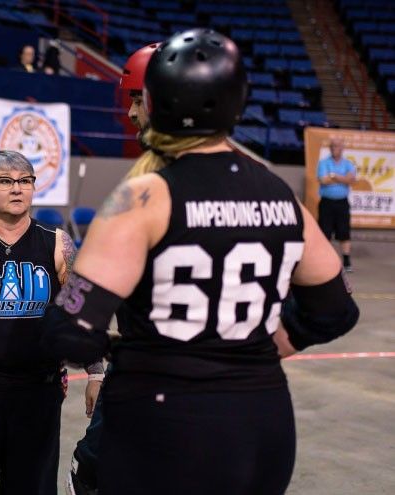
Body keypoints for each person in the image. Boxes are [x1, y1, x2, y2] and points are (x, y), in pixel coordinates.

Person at [42, 29, 359, 495]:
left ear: (157, 101)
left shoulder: (144, 195)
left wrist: (125, 350)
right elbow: (336, 308)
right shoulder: (279, 194)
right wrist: (263, 345)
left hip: (165, 420)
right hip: (262, 420)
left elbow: (68, 330)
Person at [0, 150, 103, 495]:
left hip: (37, 392)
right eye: (5, 181)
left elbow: (83, 312)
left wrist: (95, 371)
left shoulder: (57, 243)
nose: (17, 189)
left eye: (25, 181)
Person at [66, 41, 160, 495]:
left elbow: (76, 306)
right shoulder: (260, 188)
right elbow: (333, 302)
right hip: (227, 388)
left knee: (92, 471)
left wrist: (85, 338)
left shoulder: (142, 189)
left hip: (146, 367)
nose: (131, 114)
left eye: (138, 100)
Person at [317, 137, 356, 272]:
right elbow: (323, 180)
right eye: (332, 146)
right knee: (324, 232)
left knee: (344, 232)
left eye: (337, 146)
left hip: (342, 203)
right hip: (326, 203)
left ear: (342, 148)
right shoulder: (323, 163)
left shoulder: (348, 164)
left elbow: (351, 179)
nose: (334, 148)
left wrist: (333, 176)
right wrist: (342, 178)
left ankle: (346, 261)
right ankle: (323, 261)